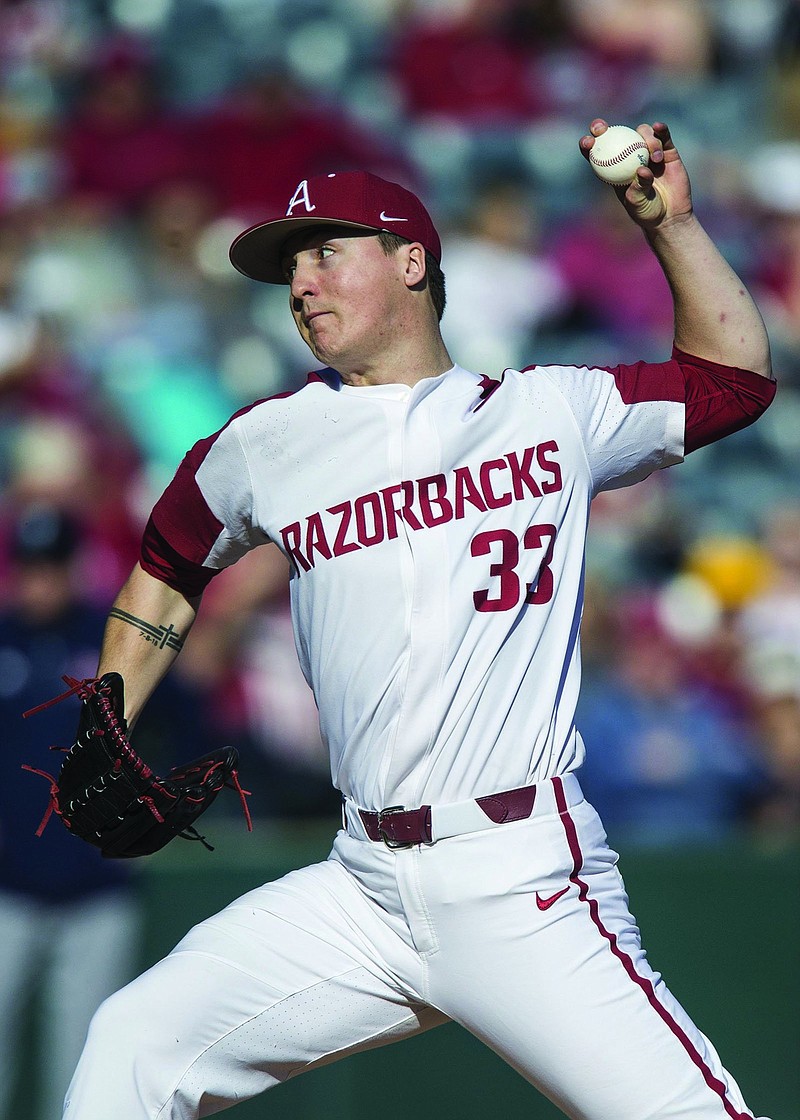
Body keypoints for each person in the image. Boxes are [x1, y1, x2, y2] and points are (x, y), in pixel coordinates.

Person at [62, 120, 777, 1120]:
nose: (300, 281)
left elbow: (731, 382)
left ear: (409, 262)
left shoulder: (545, 410)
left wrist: (675, 228)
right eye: (289, 267)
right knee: (133, 1043)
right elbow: (165, 563)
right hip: (360, 885)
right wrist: (110, 709)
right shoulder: (263, 443)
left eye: (324, 252)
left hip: (517, 872)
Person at [0, 504, 140, 1120]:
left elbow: (186, 710)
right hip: (8, 891)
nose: (41, 581)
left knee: (81, 1067)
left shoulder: (106, 640)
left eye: (52, 566)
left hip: (95, 892)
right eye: (31, 567)